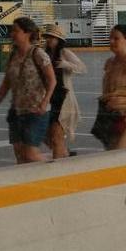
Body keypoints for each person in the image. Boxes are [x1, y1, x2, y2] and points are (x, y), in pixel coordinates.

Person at [0, 17, 57, 164]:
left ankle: (53, 168)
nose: (12, 34)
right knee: (20, 156)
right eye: (12, 30)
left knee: (30, 155)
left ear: (27, 33)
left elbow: (52, 80)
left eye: (16, 31)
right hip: (17, 111)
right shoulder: (13, 56)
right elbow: (6, 84)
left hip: (35, 110)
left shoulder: (38, 54)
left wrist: (45, 101)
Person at [41, 23, 87, 159]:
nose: (49, 40)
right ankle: (64, 152)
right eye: (48, 37)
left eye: (52, 37)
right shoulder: (44, 54)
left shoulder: (64, 53)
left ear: (58, 39)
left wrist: (66, 64)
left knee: (57, 135)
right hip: (48, 98)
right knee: (47, 135)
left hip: (62, 97)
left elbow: (82, 68)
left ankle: (59, 161)